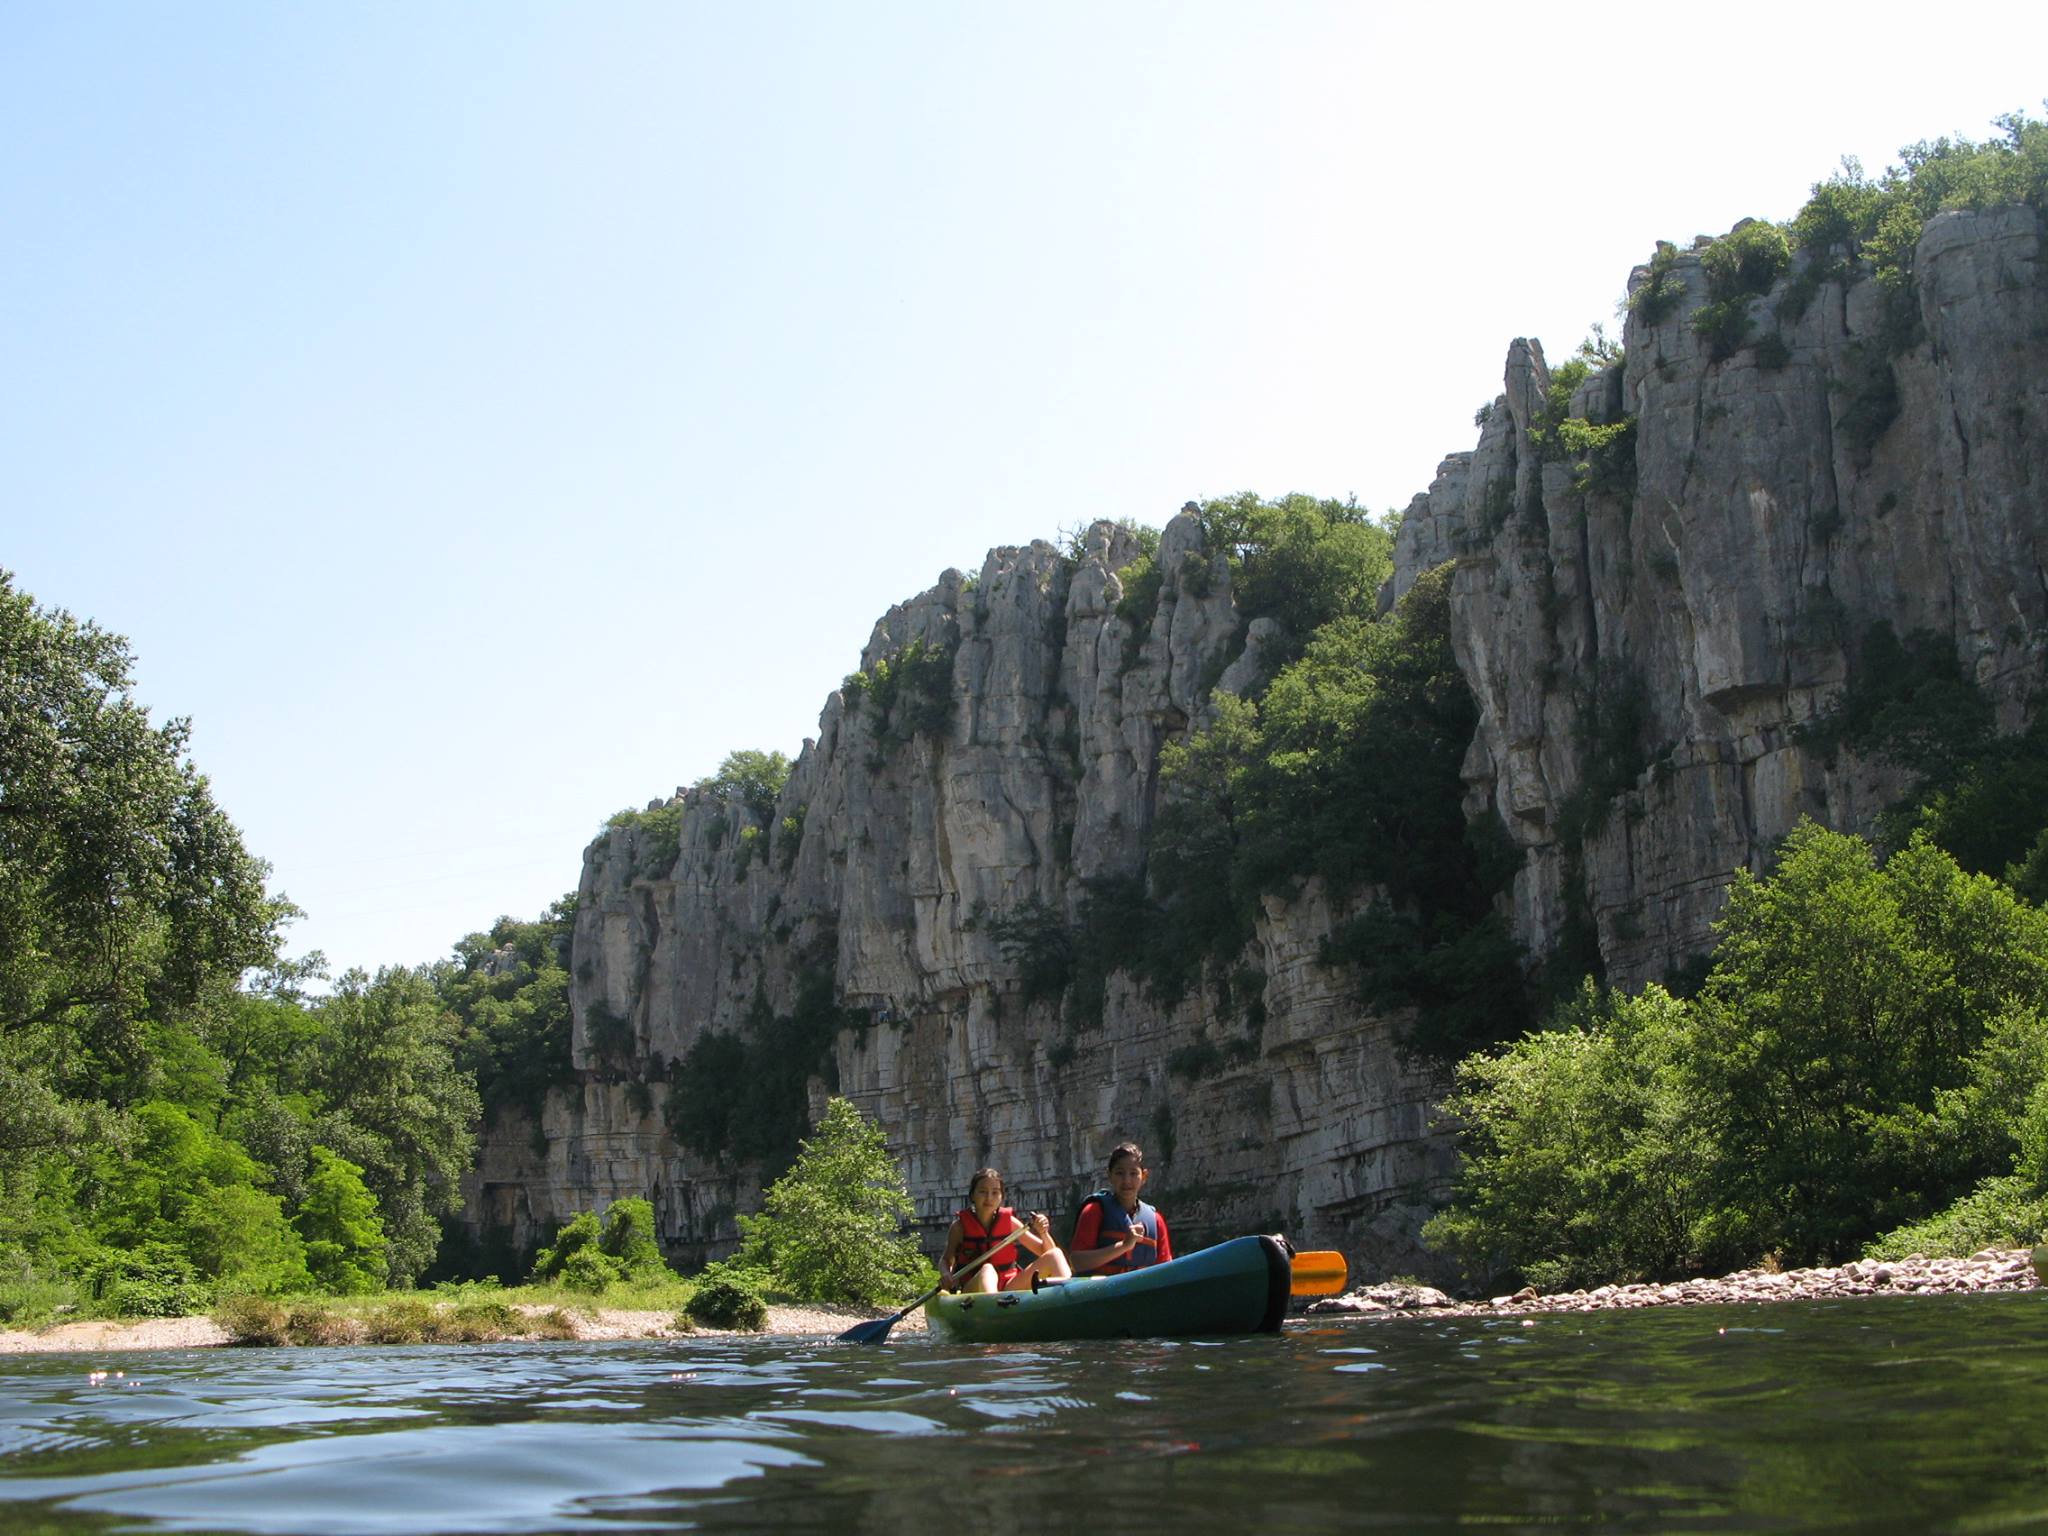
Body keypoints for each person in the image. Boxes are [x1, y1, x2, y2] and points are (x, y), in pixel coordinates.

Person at [939, 1168, 1073, 1293]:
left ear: (1001, 1197)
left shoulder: (1009, 1222)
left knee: (1055, 1254)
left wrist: (1043, 1232)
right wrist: (946, 1274)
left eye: (995, 1192)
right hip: (974, 1290)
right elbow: (945, 1260)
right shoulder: (959, 1227)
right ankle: (994, 1309)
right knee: (987, 1269)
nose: (989, 1198)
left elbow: (1046, 1252)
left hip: (1008, 1286)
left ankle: (1069, 1296)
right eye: (983, 1192)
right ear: (972, 1195)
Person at [1068, 1141, 1172, 1274]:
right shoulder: (1094, 1211)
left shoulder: (1156, 1221)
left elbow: (1166, 1270)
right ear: (1109, 1175)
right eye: (1119, 1173)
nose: (1127, 1181)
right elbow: (1077, 1263)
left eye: (1133, 1174)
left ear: (1144, 1176)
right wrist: (1124, 1246)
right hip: (1103, 1291)